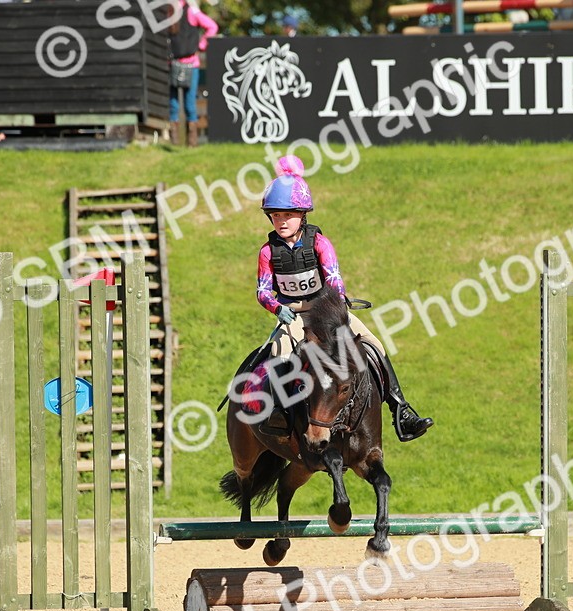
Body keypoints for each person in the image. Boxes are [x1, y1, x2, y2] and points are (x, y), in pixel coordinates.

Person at [255, 156, 434, 442]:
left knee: (374, 344)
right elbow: (262, 291)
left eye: (287, 215)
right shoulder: (267, 252)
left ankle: (401, 409)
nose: (281, 221)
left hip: (326, 311)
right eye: (275, 215)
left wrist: (333, 311)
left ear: (303, 214)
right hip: (292, 314)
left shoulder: (320, 243)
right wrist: (277, 308)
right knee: (278, 353)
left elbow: (335, 281)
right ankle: (279, 412)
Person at [167, 0, 218, 147]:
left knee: (190, 104)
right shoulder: (167, 12)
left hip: (191, 64)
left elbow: (212, 27)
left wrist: (201, 45)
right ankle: (174, 142)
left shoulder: (191, 12)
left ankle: (192, 143)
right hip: (172, 63)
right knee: (173, 104)